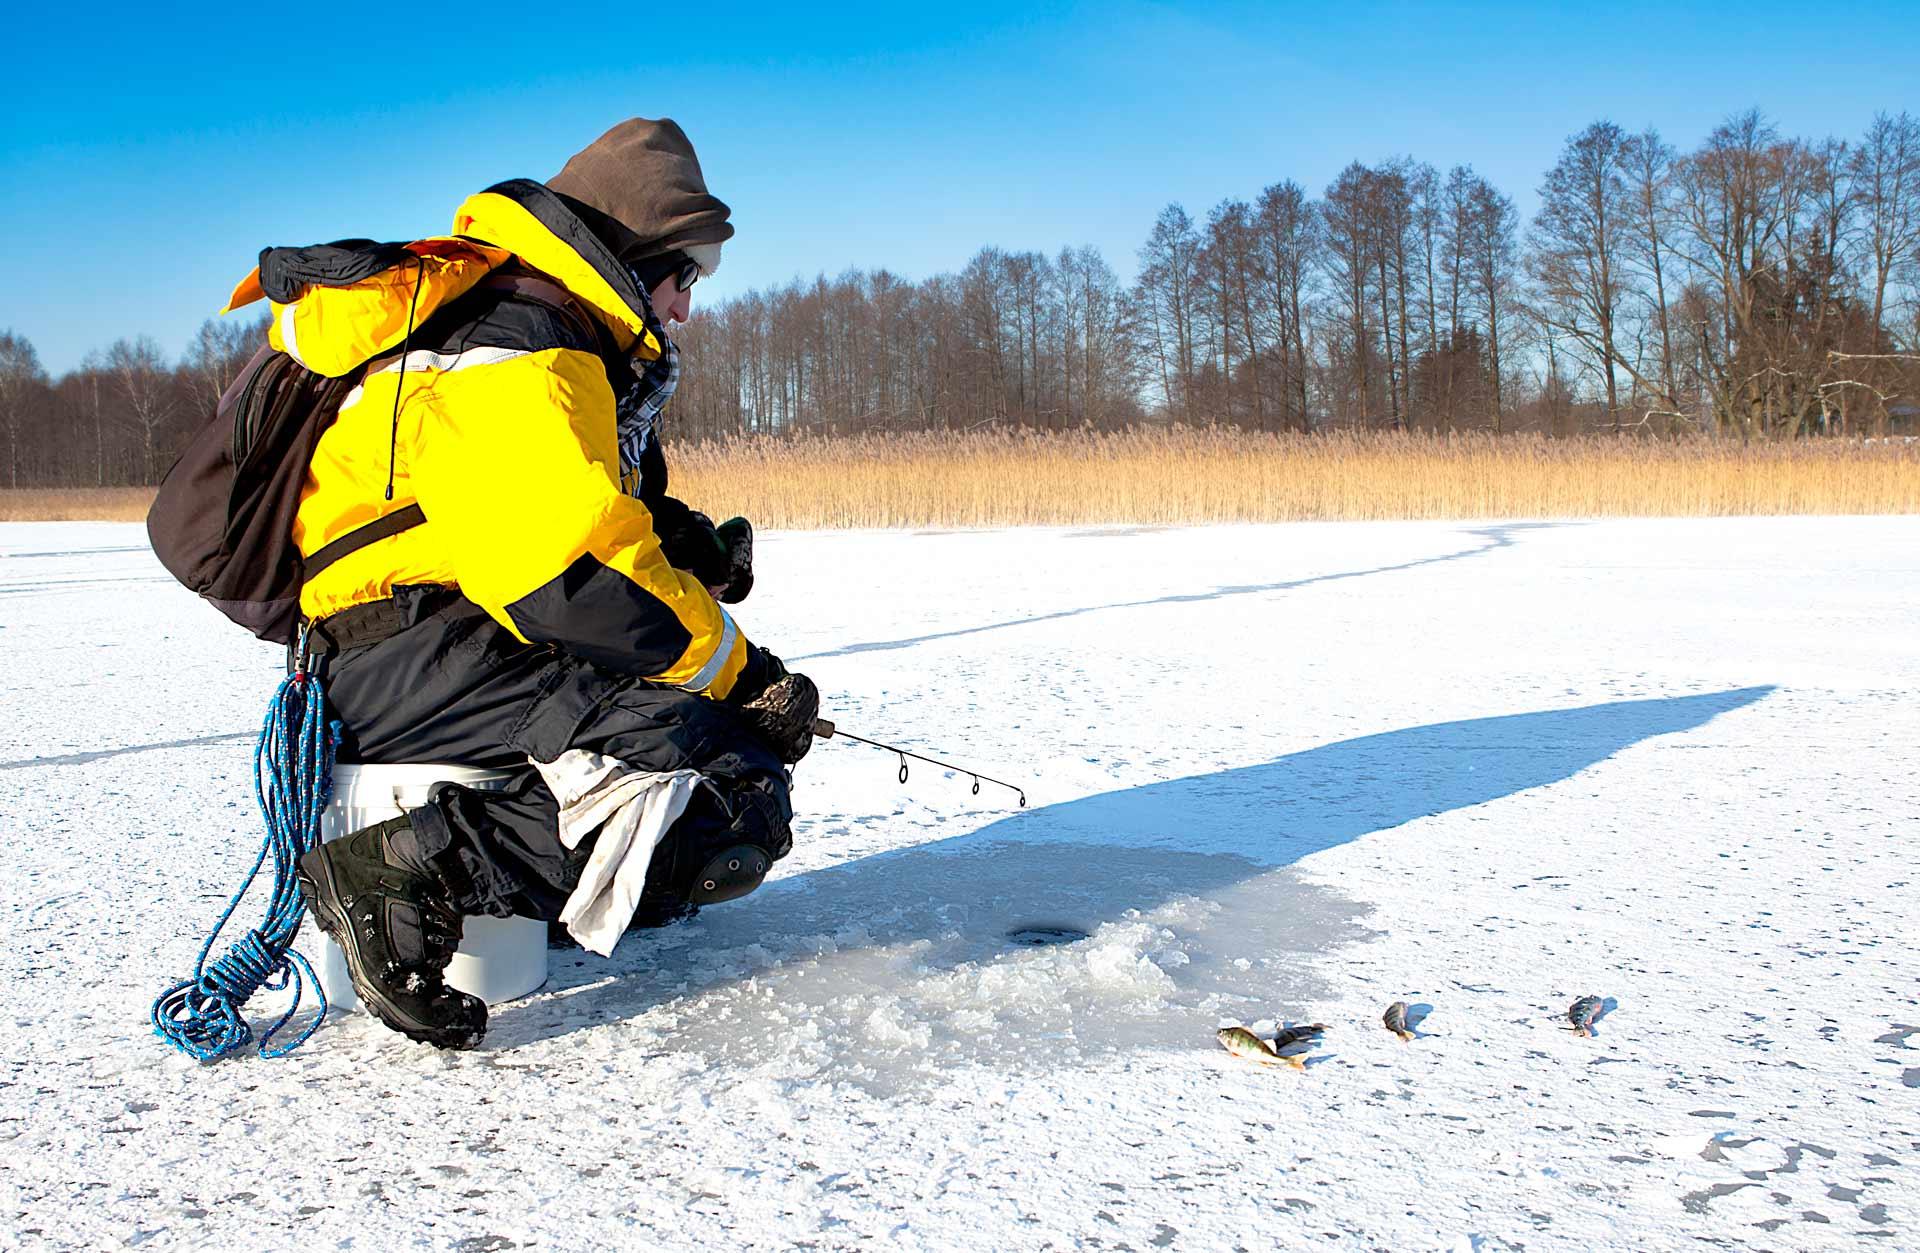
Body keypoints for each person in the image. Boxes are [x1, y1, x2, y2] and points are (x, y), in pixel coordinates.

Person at [275, 118, 818, 1050]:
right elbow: (570, 577)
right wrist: (743, 675)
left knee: (704, 746)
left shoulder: (526, 327)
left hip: (429, 639)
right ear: (634, 255)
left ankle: (546, 897)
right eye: (688, 274)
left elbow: (563, 511)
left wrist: (688, 547)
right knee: (731, 784)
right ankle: (402, 872)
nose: (687, 306)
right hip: (419, 651)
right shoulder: (522, 345)